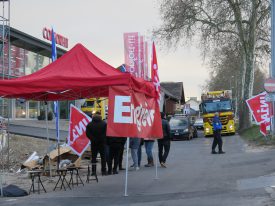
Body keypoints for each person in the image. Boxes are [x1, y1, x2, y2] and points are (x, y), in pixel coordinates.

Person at [86, 111, 107, 176]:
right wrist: (102, 139)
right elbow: (106, 133)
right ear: (100, 117)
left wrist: (93, 139)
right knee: (103, 157)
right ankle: (103, 171)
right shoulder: (104, 124)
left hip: (94, 143)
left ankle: (94, 171)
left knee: (94, 158)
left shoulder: (90, 124)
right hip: (102, 143)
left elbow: (87, 134)